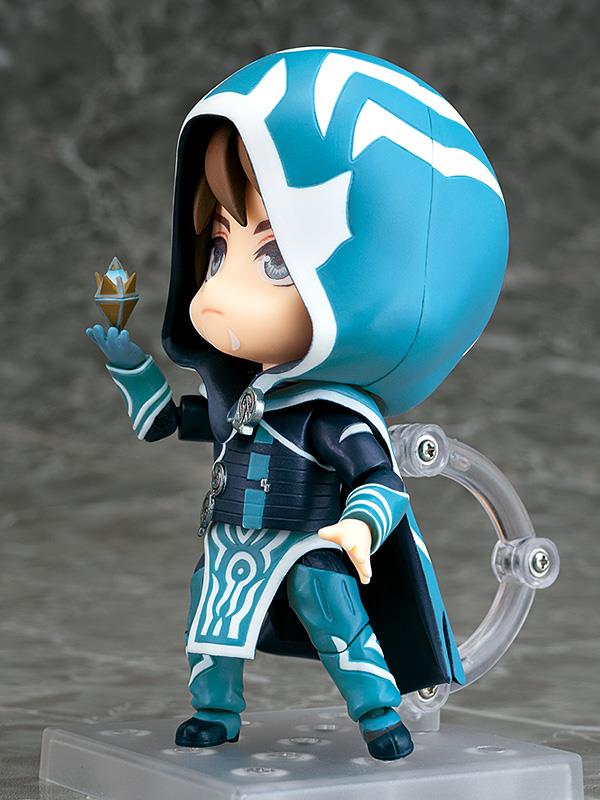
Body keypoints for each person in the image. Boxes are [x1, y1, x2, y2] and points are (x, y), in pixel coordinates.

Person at [86, 47, 508, 761]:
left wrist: (357, 529)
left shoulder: (326, 414)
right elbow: (170, 422)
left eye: (275, 260)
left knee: (330, 608)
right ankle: (215, 710)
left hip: (308, 541)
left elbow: (380, 479)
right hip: (234, 538)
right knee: (211, 617)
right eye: (217, 252)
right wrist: (133, 370)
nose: (217, 295)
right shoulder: (246, 396)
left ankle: (378, 712)